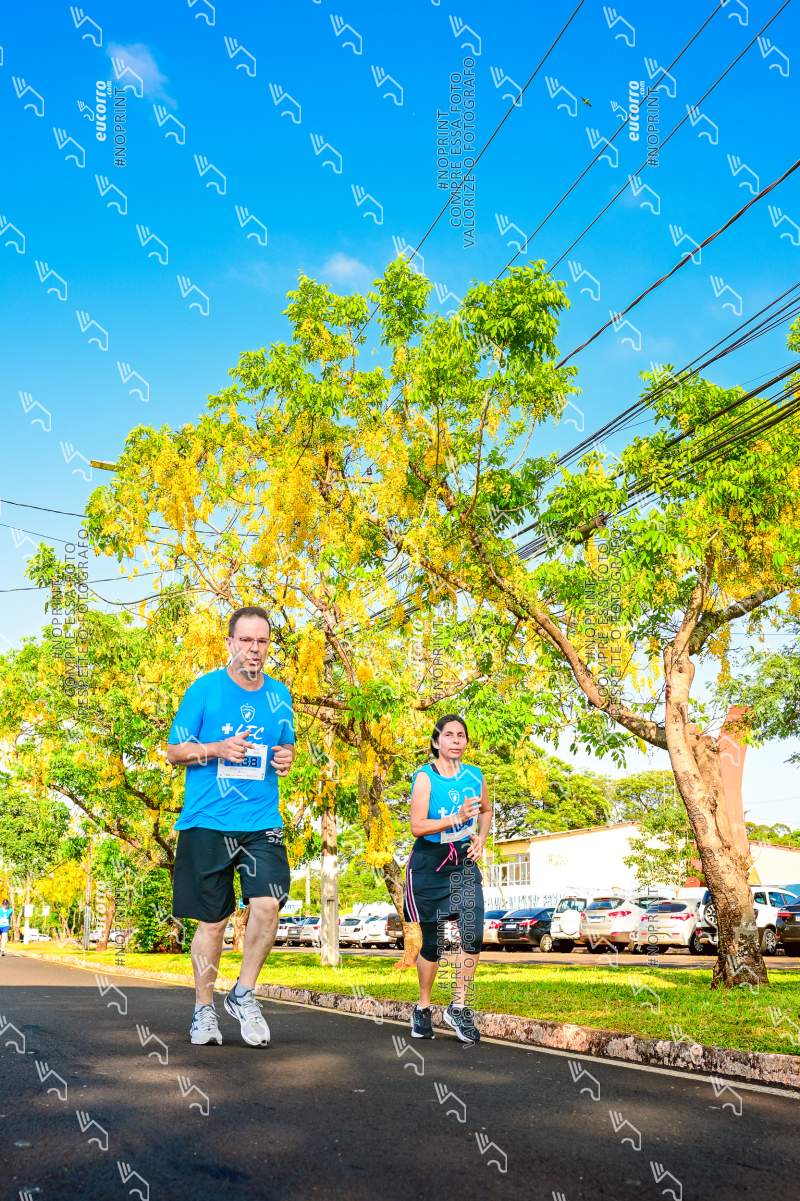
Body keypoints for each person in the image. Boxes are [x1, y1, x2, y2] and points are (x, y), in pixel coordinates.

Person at [167, 606, 296, 1047]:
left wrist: (286, 758)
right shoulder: (204, 690)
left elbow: (286, 749)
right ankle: (204, 1009)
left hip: (261, 820)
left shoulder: (280, 695)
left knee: (268, 904)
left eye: (261, 641)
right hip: (207, 821)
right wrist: (217, 748)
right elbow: (174, 751)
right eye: (246, 640)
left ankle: (243, 993)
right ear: (229, 643)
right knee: (213, 922)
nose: (254, 649)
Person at [403, 715, 491, 1044]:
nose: (456, 740)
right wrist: (456, 818)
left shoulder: (475, 775)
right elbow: (417, 826)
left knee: (473, 933)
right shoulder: (425, 778)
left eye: (461, 735)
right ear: (437, 742)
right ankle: (423, 1007)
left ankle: (459, 1006)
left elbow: (486, 810)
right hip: (430, 863)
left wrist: (481, 838)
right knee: (434, 944)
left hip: (463, 862)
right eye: (449, 735)